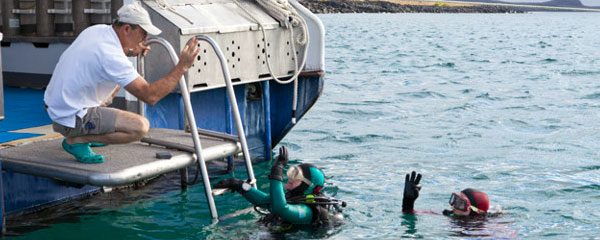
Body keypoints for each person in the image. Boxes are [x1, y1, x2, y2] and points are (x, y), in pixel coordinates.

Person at [43, 3, 200, 164]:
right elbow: (150, 96)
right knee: (139, 127)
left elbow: (107, 61)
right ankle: (78, 140)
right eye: (143, 33)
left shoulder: (97, 30)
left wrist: (129, 51)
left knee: (123, 78)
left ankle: (92, 133)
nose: (145, 39)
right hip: (70, 117)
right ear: (126, 29)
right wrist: (183, 66)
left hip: (57, 106)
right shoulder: (110, 55)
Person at [214, 146, 345, 228]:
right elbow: (264, 200)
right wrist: (238, 185)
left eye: (293, 182)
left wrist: (277, 172)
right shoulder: (294, 197)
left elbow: (281, 208)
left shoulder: (308, 211)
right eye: (288, 180)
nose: (288, 185)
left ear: (308, 187)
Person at [402, 171, 490, 217]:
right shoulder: (450, 215)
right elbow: (410, 213)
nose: (454, 206)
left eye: (460, 203)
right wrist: (408, 202)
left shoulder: (482, 227)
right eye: (455, 199)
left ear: (475, 211)